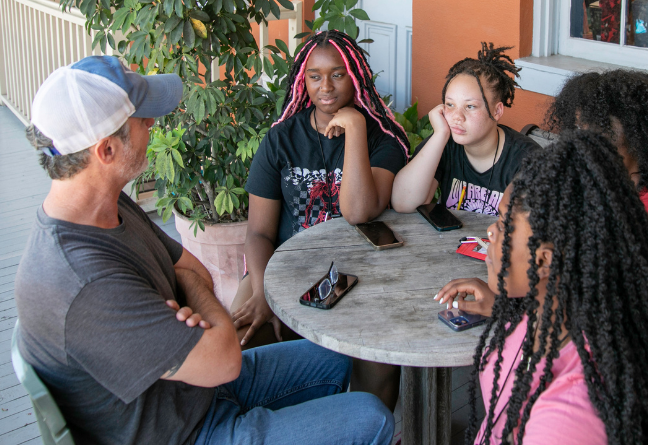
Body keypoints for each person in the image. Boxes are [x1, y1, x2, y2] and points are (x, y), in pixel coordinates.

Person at [14, 56, 395, 445]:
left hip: (193, 395)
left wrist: (191, 302)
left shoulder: (106, 205)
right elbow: (223, 359)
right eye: (142, 118)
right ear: (106, 150)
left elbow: (191, 268)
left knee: (337, 359)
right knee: (372, 418)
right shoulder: (84, 282)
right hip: (186, 432)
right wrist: (203, 315)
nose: (152, 124)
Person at [231, 29, 409, 410]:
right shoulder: (280, 140)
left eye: (337, 74)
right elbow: (259, 232)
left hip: (360, 273)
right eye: (314, 76)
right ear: (303, 80)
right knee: (241, 335)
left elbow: (359, 211)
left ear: (356, 77)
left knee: (376, 363)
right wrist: (264, 290)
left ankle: (362, 430)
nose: (325, 86)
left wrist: (356, 127)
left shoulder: (383, 140)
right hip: (284, 267)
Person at [442, 131, 648, 444]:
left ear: (543, 261)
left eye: (503, 223)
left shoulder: (566, 421)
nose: (491, 231)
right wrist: (502, 306)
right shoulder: (545, 313)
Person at [391, 43, 538, 216]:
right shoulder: (445, 143)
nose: (457, 117)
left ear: (497, 111)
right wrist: (440, 135)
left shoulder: (527, 159)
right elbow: (403, 203)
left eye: (470, 106)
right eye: (450, 104)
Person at [546, 68, 648, 216]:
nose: (581, 139)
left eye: (600, 128)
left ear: (636, 136)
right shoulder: (583, 180)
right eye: (578, 127)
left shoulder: (643, 209)